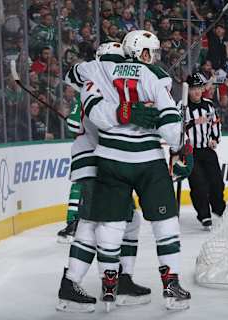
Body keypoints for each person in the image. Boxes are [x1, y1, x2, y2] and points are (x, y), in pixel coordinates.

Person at [80, 31, 192, 310]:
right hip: (147, 160)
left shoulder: (104, 72)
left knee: (112, 223)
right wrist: (180, 143)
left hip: (109, 157)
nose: (154, 57)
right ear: (142, 52)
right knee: (165, 224)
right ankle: (170, 286)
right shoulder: (155, 75)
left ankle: (110, 287)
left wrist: (121, 113)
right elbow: (168, 122)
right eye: (151, 52)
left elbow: (95, 113)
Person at [56, 42, 166, 312]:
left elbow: (71, 79)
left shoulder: (90, 79)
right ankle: (71, 285)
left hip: (101, 162)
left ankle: (121, 279)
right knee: (93, 224)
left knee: (128, 219)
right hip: (99, 162)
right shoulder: (109, 81)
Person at [184, 72, 225, 230]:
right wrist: (194, 122)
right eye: (193, 88)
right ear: (188, 90)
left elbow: (216, 124)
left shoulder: (208, 105)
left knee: (217, 182)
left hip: (207, 150)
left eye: (199, 88)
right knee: (199, 184)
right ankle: (204, 215)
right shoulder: (183, 106)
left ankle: (218, 208)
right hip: (190, 152)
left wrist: (215, 139)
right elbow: (176, 128)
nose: (196, 92)